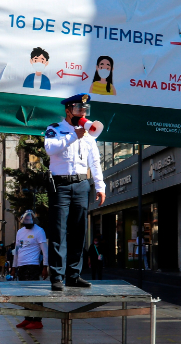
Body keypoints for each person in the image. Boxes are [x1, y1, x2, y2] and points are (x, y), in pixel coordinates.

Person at [44, 93, 106, 291]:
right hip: (60, 185)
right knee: (58, 231)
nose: (83, 112)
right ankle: (57, 276)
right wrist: (72, 136)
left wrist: (100, 186)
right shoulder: (55, 128)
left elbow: (94, 162)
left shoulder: (88, 134)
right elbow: (49, 149)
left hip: (81, 184)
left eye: (85, 109)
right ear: (68, 110)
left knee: (79, 231)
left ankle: (73, 275)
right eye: (79, 108)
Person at [12, 210, 48, 329]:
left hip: (33, 266)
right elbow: (17, 250)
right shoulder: (20, 232)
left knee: (34, 293)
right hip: (21, 266)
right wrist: (14, 267)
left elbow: (45, 250)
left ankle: (37, 320)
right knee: (24, 294)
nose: (27, 224)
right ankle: (27, 318)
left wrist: (45, 267)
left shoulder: (39, 231)